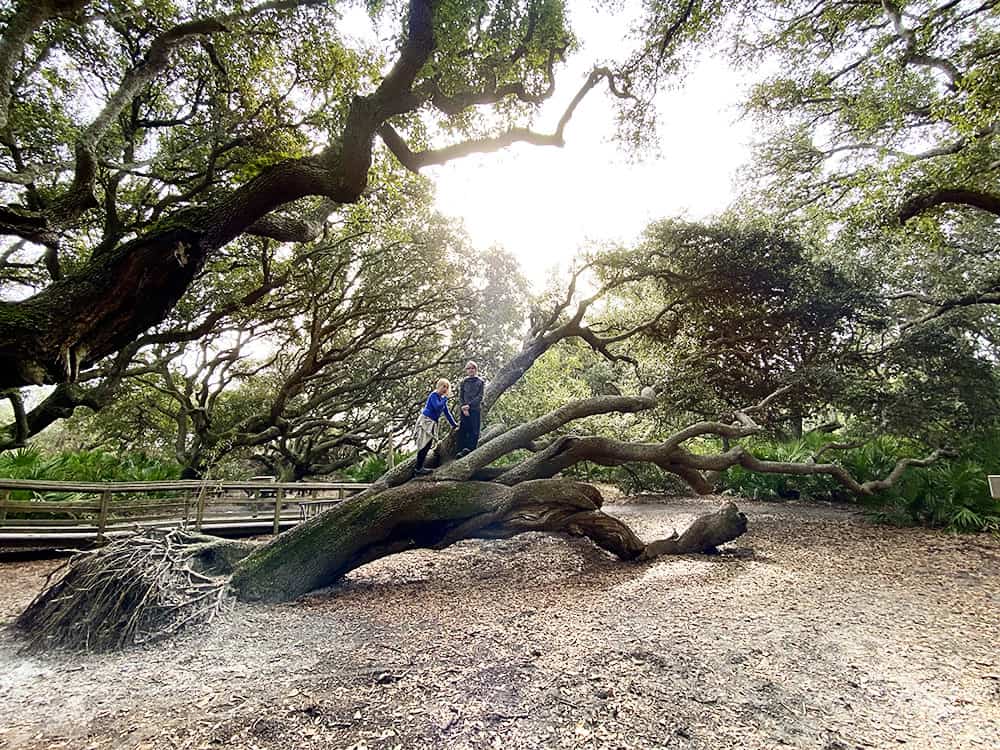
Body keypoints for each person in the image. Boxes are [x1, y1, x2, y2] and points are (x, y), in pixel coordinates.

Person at [412, 378, 458, 475]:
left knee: (428, 445)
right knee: (423, 445)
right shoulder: (434, 395)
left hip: (432, 423)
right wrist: (445, 398)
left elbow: (447, 413)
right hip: (426, 422)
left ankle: (420, 467)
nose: (445, 389)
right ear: (439, 386)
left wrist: (454, 424)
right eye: (443, 386)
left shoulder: (442, 399)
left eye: (447, 387)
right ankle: (418, 469)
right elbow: (437, 407)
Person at [456, 360, 485, 457]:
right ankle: (460, 451)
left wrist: (469, 406)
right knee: (463, 430)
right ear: (466, 370)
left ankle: (470, 449)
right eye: (469, 368)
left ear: (476, 369)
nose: (471, 370)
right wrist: (463, 407)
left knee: (474, 430)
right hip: (464, 410)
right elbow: (461, 396)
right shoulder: (464, 382)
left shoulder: (480, 382)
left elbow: (480, 397)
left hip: (474, 409)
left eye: (472, 368)